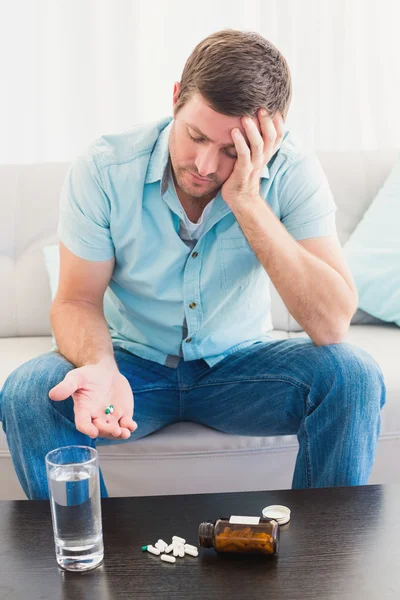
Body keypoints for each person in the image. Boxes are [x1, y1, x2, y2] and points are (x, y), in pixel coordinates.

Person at [0, 29, 386, 500]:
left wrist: (246, 198)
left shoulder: (291, 170)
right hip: (131, 366)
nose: (204, 164)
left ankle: (322, 568)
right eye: (195, 135)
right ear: (177, 99)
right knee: (27, 392)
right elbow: (75, 300)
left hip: (243, 368)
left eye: (230, 151)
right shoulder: (105, 168)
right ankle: (100, 565)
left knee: (354, 375)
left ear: (268, 137)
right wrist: (100, 367)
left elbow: (331, 325)